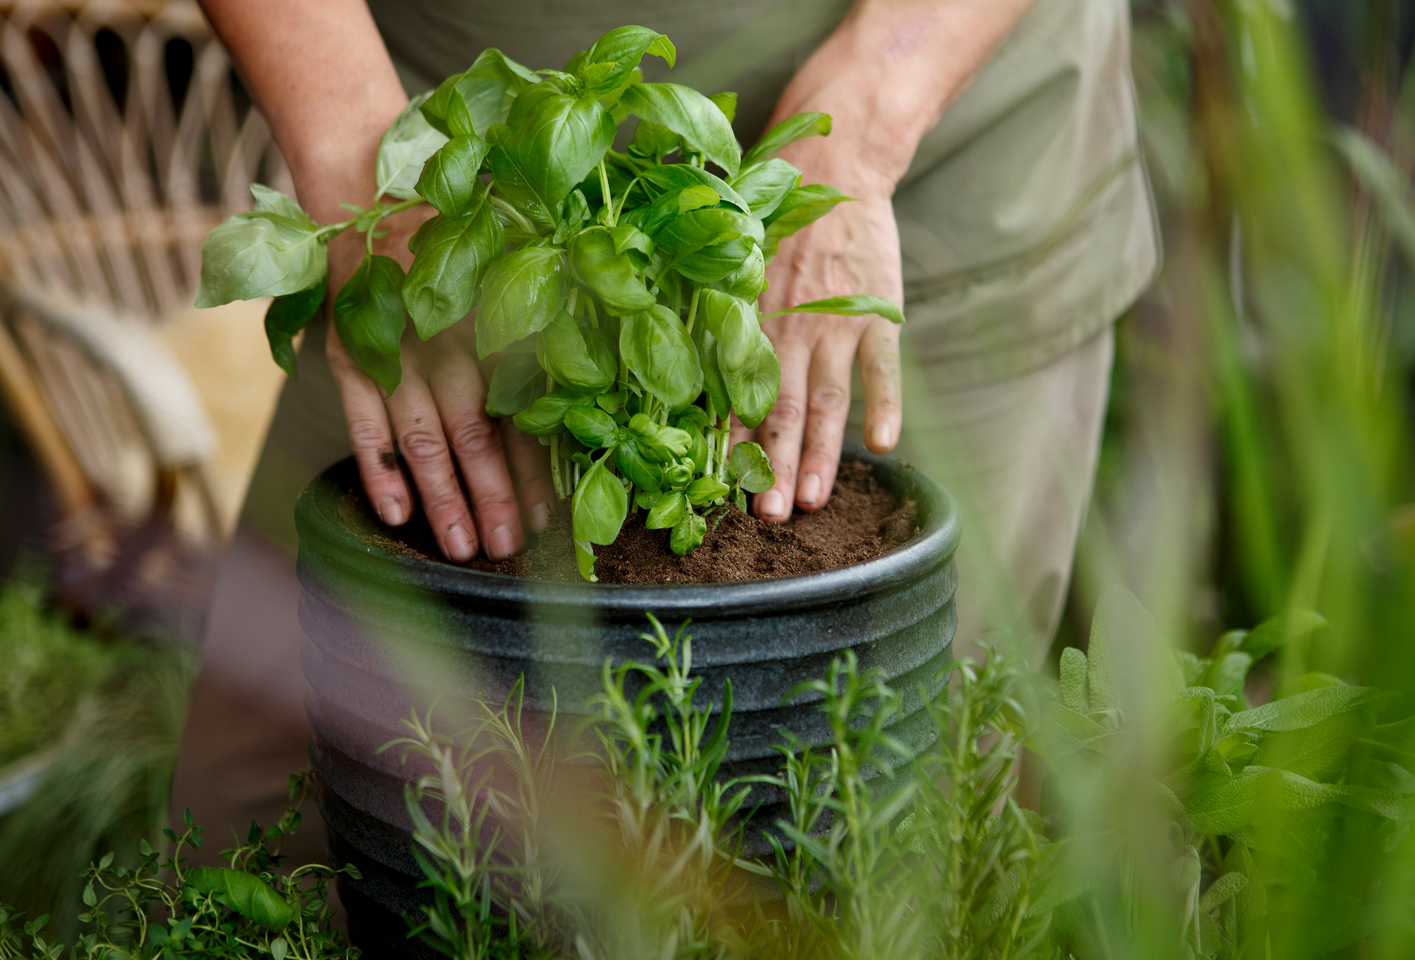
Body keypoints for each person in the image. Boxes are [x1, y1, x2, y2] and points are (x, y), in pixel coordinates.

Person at [176, 0, 1158, 868]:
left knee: (876, 840)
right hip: (449, 174)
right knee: (263, 822)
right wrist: (357, 158)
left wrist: (871, 112)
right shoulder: (435, 198)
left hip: (918, 152)